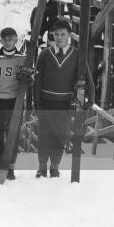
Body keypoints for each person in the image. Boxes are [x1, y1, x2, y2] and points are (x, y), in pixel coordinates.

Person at [33, 18, 94, 178]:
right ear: (52, 35)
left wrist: (91, 99)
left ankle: (54, 167)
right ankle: (41, 167)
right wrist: (36, 102)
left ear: (69, 35)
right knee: (44, 135)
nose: (59, 37)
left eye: (63, 34)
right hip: (46, 102)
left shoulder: (77, 55)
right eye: (56, 34)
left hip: (64, 103)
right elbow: (37, 81)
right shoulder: (45, 54)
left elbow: (87, 78)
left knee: (60, 135)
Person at [0, 27, 30, 181]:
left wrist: (29, 79)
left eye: (11, 39)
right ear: (1, 41)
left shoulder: (23, 59)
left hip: (15, 103)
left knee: (13, 136)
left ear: (16, 39)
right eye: (5, 39)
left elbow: (29, 81)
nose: (8, 42)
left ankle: (10, 168)